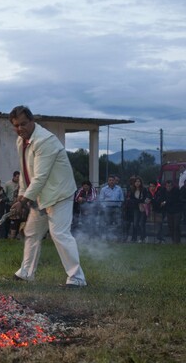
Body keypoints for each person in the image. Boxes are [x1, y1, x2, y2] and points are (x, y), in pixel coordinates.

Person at [9, 105, 87, 287]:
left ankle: (77, 278)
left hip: (59, 194)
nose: (20, 129)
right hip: (40, 196)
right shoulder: (21, 141)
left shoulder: (45, 141)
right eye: (16, 125)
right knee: (32, 233)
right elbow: (24, 171)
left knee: (59, 233)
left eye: (23, 124)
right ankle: (26, 273)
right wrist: (21, 196)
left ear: (32, 121)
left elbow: (40, 177)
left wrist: (24, 201)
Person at [98, 175, 124, 241]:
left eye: (113, 180)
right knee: (107, 223)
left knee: (118, 223)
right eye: (110, 180)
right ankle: (108, 237)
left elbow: (122, 198)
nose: (111, 181)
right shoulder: (103, 189)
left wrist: (119, 205)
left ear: (115, 181)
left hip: (116, 208)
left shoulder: (119, 188)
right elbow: (101, 199)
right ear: (108, 181)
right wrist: (104, 206)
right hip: (107, 208)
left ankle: (117, 237)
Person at [126, 177, 148, 243]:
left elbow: (144, 199)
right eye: (136, 182)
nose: (137, 183)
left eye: (139, 181)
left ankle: (142, 238)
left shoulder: (144, 190)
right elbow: (131, 199)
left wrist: (138, 201)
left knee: (141, 223)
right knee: (135, 223)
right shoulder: (132, 190)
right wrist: (138, 201)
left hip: (142, 208)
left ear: (141, 182)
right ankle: (140, 236)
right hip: (135, 208)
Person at [164, 180, 182, 244]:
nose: (168, 187)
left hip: (177, 211)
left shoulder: (176, 191)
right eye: (167, 186)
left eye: (170, 186)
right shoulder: (165, 192)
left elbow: (172, 200)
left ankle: (176, 241)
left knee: (176, 226)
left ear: (172, 186)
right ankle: (173, 240)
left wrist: (165, 202)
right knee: (171, 226)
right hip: (169, 211)